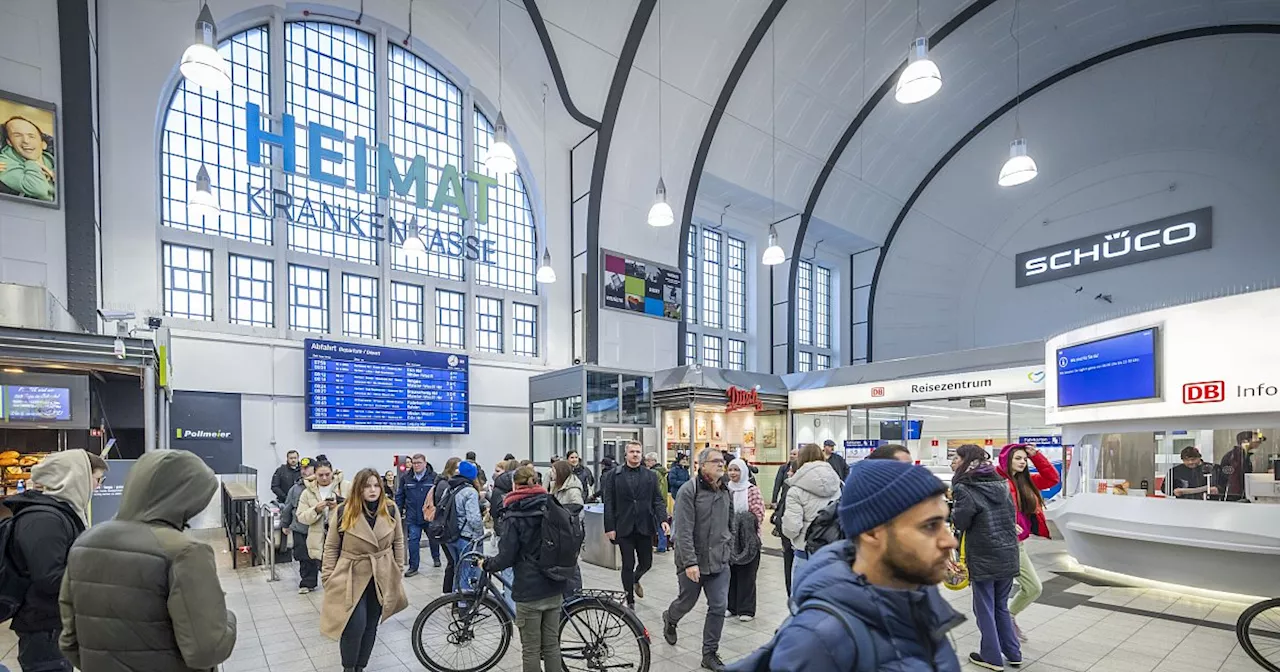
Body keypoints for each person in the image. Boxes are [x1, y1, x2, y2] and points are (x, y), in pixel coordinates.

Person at [735, 459, 963, 671]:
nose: (949, 541)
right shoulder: (818, 640)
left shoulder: (920, 597)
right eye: (929, 526)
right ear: (873, 532)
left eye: (944, 521)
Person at [59, 450, 237, 670]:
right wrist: (227, 619)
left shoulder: (86, 542)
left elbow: (69, 640)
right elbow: (207, 650)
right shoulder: (185, 551)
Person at [7, 450, 95, 672]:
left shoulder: (56, 513)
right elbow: (49, 578)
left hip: (52, 622)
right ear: (75, 478)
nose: (98, 486)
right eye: (96, 479)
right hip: (43, 625)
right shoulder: (44, 518)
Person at [320, 469, 409, 672]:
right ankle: (349, 668)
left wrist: (398, 569)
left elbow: (398, 541)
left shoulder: (390, 509)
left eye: (376, 485)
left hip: (382, 573)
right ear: (358, 488)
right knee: (354, 626)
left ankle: (361, 667)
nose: (372, 490)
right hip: (351, 573)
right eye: (367, 486)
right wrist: (328, 576)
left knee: (370, 626)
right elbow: (332, 546)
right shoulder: (345, 511)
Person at [485, 466, 566, 672]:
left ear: (514, 485)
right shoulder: (551, 504)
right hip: (554, 584)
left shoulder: (514, 513)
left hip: (529, 590)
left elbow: (506, 556)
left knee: (530, 649)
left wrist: (487, 564)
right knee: (551, 646)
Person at [662, 448, 733, 671]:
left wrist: (728, 547)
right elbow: (683, 530)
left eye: (722, 461)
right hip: (693, 560)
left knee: (718, 606)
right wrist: (690, 562)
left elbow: (729, 522)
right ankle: (670, 618)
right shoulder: (688, 491)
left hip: (719, 560)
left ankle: (709, 654)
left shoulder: (724, 489)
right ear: (702, 466)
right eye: (716, 461)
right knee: (687, 602)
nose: (721, 464)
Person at [951, 445, 1021, 670]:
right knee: (1001, 605)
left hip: (983, 554)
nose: (953, 462)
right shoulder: (1000, 483)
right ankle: (1013, 652)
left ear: (965, 461)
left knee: (984, 608)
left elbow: (962, 522)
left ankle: (991, 657)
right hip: (1008, 552)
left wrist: (952, 511)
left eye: (956, 458)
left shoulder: (965, 488)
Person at [997, 443, 1061, 642]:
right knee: (1024, 588)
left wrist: (1036, 456)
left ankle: (1007, 618)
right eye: (1018, 458)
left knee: (1031, 588)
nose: (1022, 462)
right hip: (1002, 544)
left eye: (1024, 459)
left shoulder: (1026, 482)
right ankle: (1003, 624)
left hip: (1019, 543)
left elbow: (1052, 479)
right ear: (1006, 460)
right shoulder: (996, 480)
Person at [603, 441, 670, 609]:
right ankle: (630, 599)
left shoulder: (650, 476)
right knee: (627, 563)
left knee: (646, 562)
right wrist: (609, 527)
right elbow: (609, 503)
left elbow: (657, 500)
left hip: (644, 525)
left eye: (638, 452)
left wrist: (663, 519)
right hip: (623, 526)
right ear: (626, 454)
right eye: (632, 452)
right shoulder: (613, 475)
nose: (635, 454)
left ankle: (635, 579)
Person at [781, 444, 842, 585]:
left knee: (802, 601)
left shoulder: (795, 490)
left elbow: (792, 528)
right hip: (832, 550)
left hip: (805, 551)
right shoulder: (837, 484)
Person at [296, 461, 350, 593]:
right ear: (315, 474)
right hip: (318, 536)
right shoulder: (307, 492)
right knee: (324, 569)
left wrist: (339, 506)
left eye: (327, 474)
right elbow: (301, 516)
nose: (324, 478)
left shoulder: (346, 486)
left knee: (342, 570)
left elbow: (357, 509)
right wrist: (316, 510)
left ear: (333, 472)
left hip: (342, 535)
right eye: (320, 475)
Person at [725, 457, 764, 622]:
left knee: (747, 574)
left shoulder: (751, 489)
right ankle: (731, 606)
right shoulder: (726, 489)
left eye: (737, 470)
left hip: (748, 540)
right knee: (730, 574)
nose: (733, 473)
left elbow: (758, 512)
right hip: (729, 539)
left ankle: (746, 609)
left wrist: (742, 522)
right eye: (731, 470)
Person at [395, 453, 440, 577]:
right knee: (413, 540)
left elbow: (439, 496)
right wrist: (397, 511)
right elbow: (400, 496)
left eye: (419, 463)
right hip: (413, 516)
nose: (416, 465)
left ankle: (436, 558)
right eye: (414, 463)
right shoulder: (406, 478)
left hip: (430, 515)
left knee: (433, 538)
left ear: (425, 463)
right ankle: (413, 566)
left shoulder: (434, 477)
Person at [551, 460, 586, 598]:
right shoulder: (556, 486)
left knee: (572, 566)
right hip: (561, 532)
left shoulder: (572, 490)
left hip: (570, 533)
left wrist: (564, 521)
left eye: (553, 471)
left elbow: (579, 512)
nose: (551, 473)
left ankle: (575, 595)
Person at [283, 458, 319, 593]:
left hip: (318, 529)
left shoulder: (321, 486)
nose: (304, 471)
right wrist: (285, 524)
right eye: (302, 468)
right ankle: (307, 583)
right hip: (300, 529)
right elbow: (288, 507)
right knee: (303, 556)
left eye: (307, 468)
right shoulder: (295, 489)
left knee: (320, 557)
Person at [0, 116, 56, 202]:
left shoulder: (55, 160)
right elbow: (38, 190)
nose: (26, 141)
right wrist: (32, 162)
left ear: (43, 144)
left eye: (31, 136)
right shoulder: (3, 162)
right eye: (17, 135)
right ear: (9, 142)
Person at [450, 460, 486, 593]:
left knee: (458, 569)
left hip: (451, 535)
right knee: (466, 571)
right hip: (465, 536)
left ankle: (455, 599)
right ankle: (463, 605)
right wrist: (480, 533)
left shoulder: (451, 487)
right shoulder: (470, 491)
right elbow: (474, 518)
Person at [432, 457, 463, 593]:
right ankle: (450, 593)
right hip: (446, 528)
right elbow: (444, 506)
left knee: (453, 562)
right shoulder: (445, 485)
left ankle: (449, 592)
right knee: (453, 562)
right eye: (457, 468)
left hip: (445, 526)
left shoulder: (445, 483)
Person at [771, 448, 799, 597]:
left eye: (795, 454)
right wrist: (774, 501)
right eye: (791, 453)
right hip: (789, 533)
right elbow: (777, 484)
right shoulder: (783, 469)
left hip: (795, 537)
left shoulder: (797, 490)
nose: (788, 473)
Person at [1218, 430, 1261, 501]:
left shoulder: (1244, 456)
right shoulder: (1235, 457)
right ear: (1244, 442)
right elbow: (1234, 478)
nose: (1258, 444)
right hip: (1235, 496)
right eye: (1255, 442)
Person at [645, 452, 670, 553]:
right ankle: (662, 545)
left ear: (652, 461)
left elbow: (651, 489)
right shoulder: (662, 471)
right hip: (663, 500)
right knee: (661, 524)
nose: (646, 463)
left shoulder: (653, 473)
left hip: (654, 502)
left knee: (652, 525)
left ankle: (655, 546)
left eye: (647, 460)